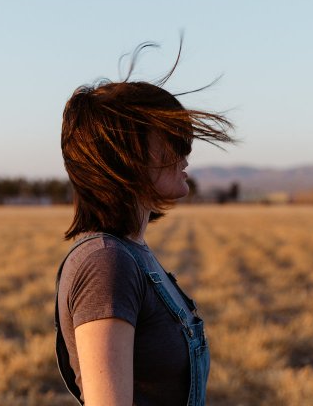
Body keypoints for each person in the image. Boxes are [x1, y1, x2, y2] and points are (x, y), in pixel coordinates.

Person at [54, 41, 234, 406]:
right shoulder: (106, 264)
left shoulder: (132, 255)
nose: (186, 153)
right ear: (125, 153)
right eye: (172, 139)